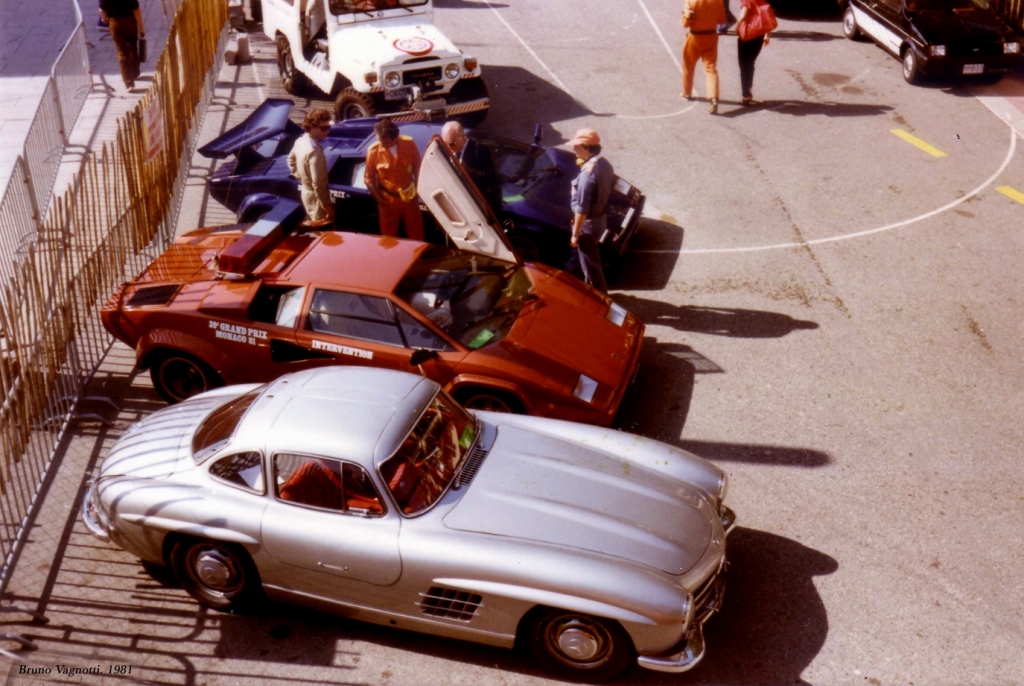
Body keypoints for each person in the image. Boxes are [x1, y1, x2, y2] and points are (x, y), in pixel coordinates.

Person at [567, 128, 613, 295]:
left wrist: (575, 233)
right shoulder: (605, 164)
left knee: (591, 268)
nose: (574, 149)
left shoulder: (587, 174)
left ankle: (600, 300)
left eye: (577, 146)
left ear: (587, 147)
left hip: (588, 224)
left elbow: (581, 209)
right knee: (584, 259)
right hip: (600, 218)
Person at [364, 118, 425, 240]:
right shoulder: (373, 151)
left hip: (409, 200)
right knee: (388, 240)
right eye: (379, 140)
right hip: (387, 202)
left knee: (417, 236)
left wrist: (418, 192)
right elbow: (368, 179)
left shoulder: (409, 144)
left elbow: (419, 169)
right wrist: (380, 200)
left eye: (385, 142)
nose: (381, 145)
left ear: (394, 138)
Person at [441, 120, 502, 215]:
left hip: (476, 205)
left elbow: (490, 178)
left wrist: (467, 170)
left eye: (451, 143)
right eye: (445, 143)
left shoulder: (480, 151)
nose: (448, 147)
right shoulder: (446, 151)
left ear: (461, 136)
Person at [287, 109, 335, 224]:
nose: (327, 131)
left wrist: (303, 178)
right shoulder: (314, 152)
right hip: (317, 200)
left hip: (306, 193)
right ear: (311, 127)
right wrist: (326, 206)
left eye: (328, 127)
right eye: (324, 128)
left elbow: (290, 160)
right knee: (323, 233)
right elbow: (318, 184)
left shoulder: (300, 141)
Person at [681, 0, 726, 114]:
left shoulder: (692, 1)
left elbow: (685, 23)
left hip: (695, 37)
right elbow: (722, 20)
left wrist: (685, 16)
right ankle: (714, 97)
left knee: (688, 66)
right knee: (711, 69)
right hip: (711, 36)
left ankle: (687, 92)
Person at [99, 0, 145, 91]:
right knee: (133, 48)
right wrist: (141, 26)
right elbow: (136, 9)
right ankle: (135, 73)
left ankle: (129, 83)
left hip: (115, 23)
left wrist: (104, 18)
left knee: (122, 52)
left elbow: (102, 9)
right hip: (130, 22)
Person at [736, 0, 771, 105]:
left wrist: (737, 27)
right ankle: (748, 90)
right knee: (750, 63)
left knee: (743, 65)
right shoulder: (762, 0)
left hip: (747, 35)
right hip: (759, 35)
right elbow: (766, 16)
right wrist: (767, 35)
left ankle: (746, 95)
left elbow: (743, 16)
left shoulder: (747, 1)